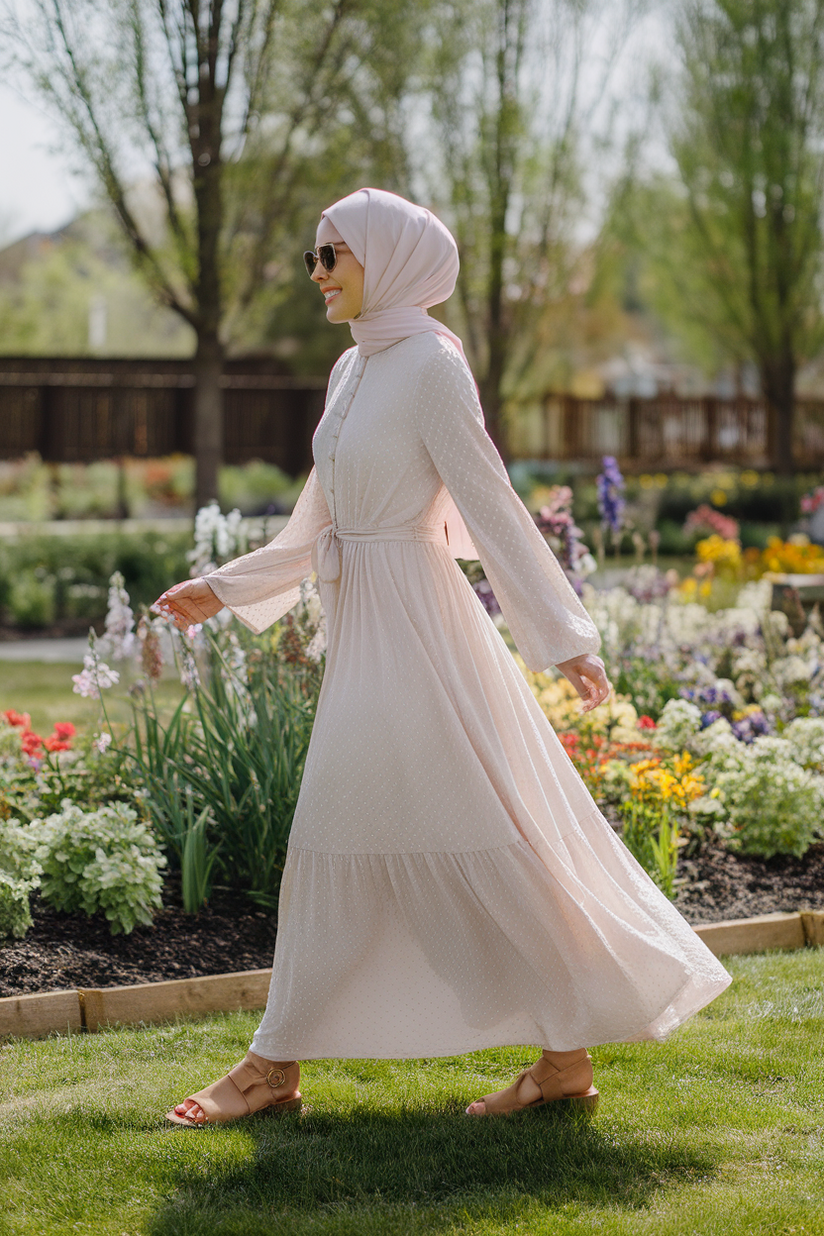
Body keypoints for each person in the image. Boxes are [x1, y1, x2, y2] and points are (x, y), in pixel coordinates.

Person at [154, 188, 732, 1126]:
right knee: (395, 838)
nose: (318, 276)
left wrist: (564, 637)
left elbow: (492, 502)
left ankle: (278, 1068)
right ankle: (558, 1059)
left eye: (331, 255)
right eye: (314, 259)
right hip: (367, 637)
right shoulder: (354, 373)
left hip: (422, 638)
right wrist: (223, 588)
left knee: (418, 835)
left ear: (389, 257)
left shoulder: (429, 367)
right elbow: (321, 519)